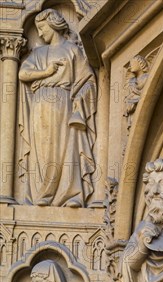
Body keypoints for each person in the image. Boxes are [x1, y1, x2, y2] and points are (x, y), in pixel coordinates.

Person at [18, 8, 96, 207]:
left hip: (64, 102)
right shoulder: (39, 53)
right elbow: (22, 75)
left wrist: (80, 100)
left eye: (42, 28)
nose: (41, 33)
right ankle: (41, 194)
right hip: (41, 104)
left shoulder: (72, 50)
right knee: (42, 151)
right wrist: (46, 72)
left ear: (53, 25)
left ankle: (71, 194)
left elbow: (88, 79)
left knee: (66, 147)